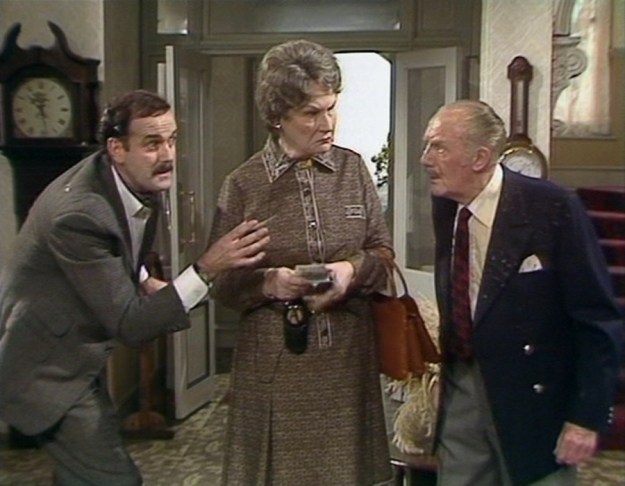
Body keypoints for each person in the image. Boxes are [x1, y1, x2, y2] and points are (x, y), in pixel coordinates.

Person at [0, 89, 270, 485]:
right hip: (45, 369)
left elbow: (114, 248)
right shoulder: (79, 215)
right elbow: (130, 324)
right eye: (152, 143)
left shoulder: (128, 180)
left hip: (76, 353)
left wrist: (142, 279)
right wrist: (208, 268)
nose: (167, 154)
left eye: (171, 140)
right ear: (117, 148)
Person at [208, 40, 393, 485]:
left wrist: (352, 271)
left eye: (331, 108)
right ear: (278, 116)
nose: (327, 123)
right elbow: (221, 284)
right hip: (278, 365)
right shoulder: (243, 186)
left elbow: (383, 255)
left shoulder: (353, 171)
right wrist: (269, 282)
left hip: (348, 363)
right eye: (311, 113)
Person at [423, 99, 623, 485]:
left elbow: (597, 318)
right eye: (428, 146)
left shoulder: (552, 207)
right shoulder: (445, 203)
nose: (425, 159)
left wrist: (586, 416)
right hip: (464, 387)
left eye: (439, 148)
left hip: (534, 401)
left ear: (480, 158)